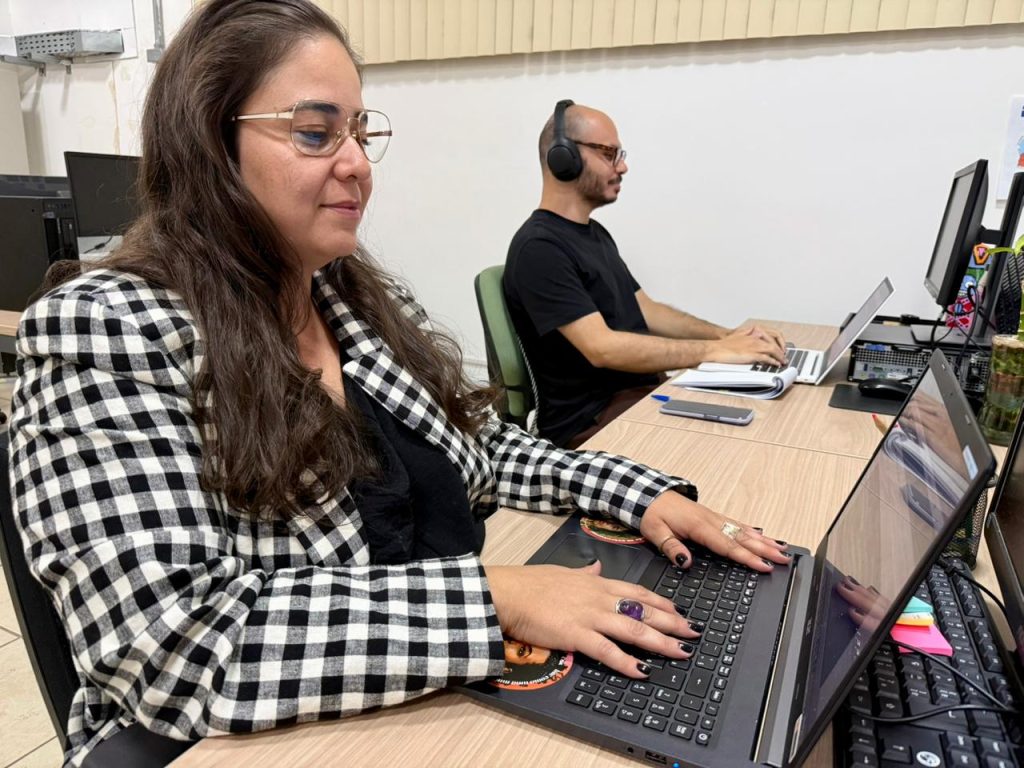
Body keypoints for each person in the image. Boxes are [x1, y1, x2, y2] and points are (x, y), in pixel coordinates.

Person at [6, 3, 790, 766]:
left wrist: (640, 493)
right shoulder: (102, 329)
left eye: (359, 132)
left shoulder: (349, 295)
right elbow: (169, 644)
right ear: (211, 144)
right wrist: (496, 597)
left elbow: (483, 454)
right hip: (222, 738)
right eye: (316, 133)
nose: (355, 163)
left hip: (406, 694)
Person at [503, 100, 789, 448]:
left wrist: (726, 336)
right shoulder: (540, 248)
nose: (622, 166)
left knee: (768, 417)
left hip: (639, 397)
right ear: (563, 158)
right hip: (594, 423)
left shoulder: (594, 235)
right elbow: (602, 348)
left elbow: (647, 310)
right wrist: (714, 352)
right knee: (743, 446)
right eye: (609, 153)